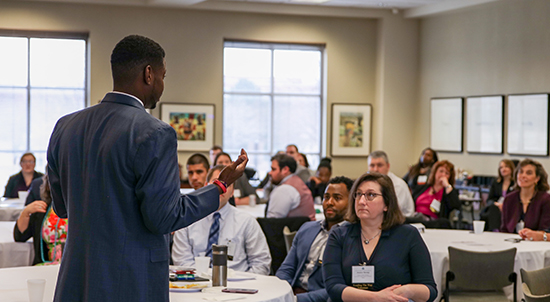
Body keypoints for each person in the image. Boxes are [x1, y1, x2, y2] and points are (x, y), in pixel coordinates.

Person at [46, 35, 248, 302]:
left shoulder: (65, 126)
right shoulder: (154, 132)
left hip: (76, 279)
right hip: (130, 281)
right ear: (149, 74)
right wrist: (219, 187)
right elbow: (163, 217)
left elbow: (60, 207)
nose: (163, 85)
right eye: (163, 76)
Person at [323, 172, 437, 302]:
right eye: (358, 194)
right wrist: (376, 298)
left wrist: (406, 290)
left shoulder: (408, 235)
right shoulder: (339, 234)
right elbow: (333, 287)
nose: (361, 201)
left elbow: (430, 290)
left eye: (370, 195)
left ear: (387, 204)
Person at [172, 165, 271, 274]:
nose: (221, 189)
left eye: (227, 185)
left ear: (232, 192)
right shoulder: (187, 219)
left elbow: (261, 263)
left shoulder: (247, 222)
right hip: (196, 283)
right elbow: (181, 261)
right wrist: (204, 279)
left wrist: (243, 284)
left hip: (238, 285)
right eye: (216, 183)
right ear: (206, 186)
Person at [277, 176, 353, 302]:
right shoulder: (307, 228)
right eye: (326, 197)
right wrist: (280, 292)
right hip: (292, 293)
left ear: (351, 202)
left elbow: (338, 288)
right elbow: (287, 269)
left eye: (337, 198)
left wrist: (295, 299)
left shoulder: (353, 239)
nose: (329, 202)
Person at [14, 174, 67, 265]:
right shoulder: (42, 210)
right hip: (46, 265)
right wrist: (25, 213)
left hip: (76, 267)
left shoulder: (82, 211)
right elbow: (20, 237)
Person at [500, 159, 550, 234]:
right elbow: (504, 229)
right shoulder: (509, 199)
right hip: (510, 241)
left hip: (536, 243)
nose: (523, 176)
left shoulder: (546, 199)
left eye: (528, 173)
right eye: (521, 172)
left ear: (537, 179)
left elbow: (545, 230)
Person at [412, 160, 460, 228]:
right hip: (416, 217)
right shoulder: (423, 188)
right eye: (441, 171)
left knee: (444, 222)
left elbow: (455, 205)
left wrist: (447, 186)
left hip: (433, 222)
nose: (443, 175)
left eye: (447, 173)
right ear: (435, 172)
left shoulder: (448, 191)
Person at [267, 154, 315, 220]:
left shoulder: (284, 189)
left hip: (294, 230)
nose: (270, 173)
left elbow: (272, 221)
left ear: (285, 169)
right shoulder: (298, 181)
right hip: (307, 228)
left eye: (273, 169)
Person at [368, 150, 415, 217]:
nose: (375, 169)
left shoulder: (398, 185)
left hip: (402, 221)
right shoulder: (368, 184)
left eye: (379, 165)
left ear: (388, 166)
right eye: (372, 165)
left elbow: (391, 211)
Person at [479, 159, 516, 231]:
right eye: (501, 167)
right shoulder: (495, 182)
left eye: (506, 167)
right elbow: (489, 200)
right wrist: (497, 204)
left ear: (511, 168)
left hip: (510, 207)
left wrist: (504, 205)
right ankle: (495, 230)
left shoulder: (515, 183)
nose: (503, 169)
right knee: (493, 208)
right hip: (497, 206)